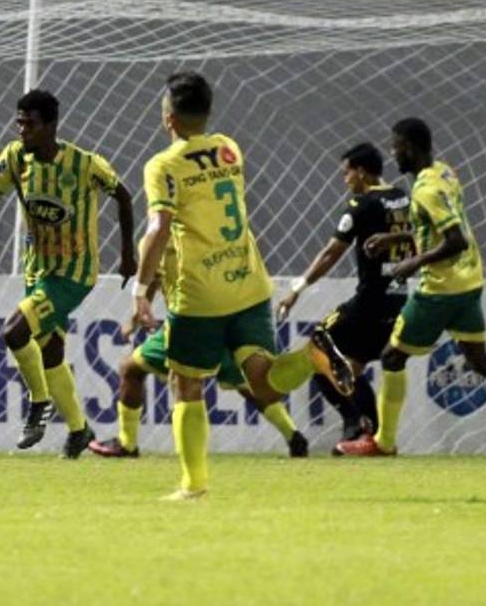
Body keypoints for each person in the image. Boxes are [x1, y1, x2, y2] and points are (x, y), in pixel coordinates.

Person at [132, 72, 351, 500]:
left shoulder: (163, 165)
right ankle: (311, 356)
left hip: (200, 293)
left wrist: (140, 290)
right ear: (208, 112)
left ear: (168, 118)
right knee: (263, 380)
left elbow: (160, 227)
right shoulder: (229, 148)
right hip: (249, 283)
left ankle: (193, 486)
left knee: (186, 382)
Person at [336, 117, 486, 457]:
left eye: (397, 146)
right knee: (479, 359)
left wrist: (412, 262)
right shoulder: (443, 172)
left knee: (392, 356)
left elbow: (455, 240)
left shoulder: (425, 191)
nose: (393, 153)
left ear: (411, 149)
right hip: (470, 281)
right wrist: (396, 237)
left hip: (441, 289)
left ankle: (383, 442)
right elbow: (440, 229)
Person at [0, 89, 137, 458]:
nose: (22, 131)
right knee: (50, 355)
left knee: (14, 331)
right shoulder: (15, 158)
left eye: (29, 124)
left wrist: (126, 254)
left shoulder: (84, 164)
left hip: (74, 274)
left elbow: (123, 196)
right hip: (39, 271)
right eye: (19, 123)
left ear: (50, 126)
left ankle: (38, 405)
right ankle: (79, 432)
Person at [89, 241, 309, 459]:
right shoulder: (207, 230)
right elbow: (155, 276)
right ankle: (293, 435)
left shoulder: (158, 237)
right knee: (249, 385)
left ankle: (130, 446)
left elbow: (152, 276)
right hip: (225, 320)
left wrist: (138, 312)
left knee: (148, 374)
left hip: (190, 323)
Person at [276, 142, 411, 451]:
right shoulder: (403, 198)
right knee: (350, 368)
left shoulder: (361, 205)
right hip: (399, 300)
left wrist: (297, 289)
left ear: (361, 172)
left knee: (318, 352)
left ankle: (357, 423)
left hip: (369, 302)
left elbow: (330, 254)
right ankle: (372, 437)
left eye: (346, 172)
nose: (344, 179)